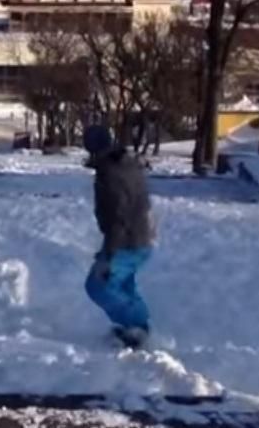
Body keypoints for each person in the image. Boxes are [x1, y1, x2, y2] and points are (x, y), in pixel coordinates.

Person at [83, 125, 155, 348]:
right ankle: (132, 326)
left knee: (98, 285)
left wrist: (109, 255)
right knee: (122, 285)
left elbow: (119, 216)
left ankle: (138, 326)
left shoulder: (110, 174)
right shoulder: (125, 164)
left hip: (127, 241)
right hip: (140, 238)